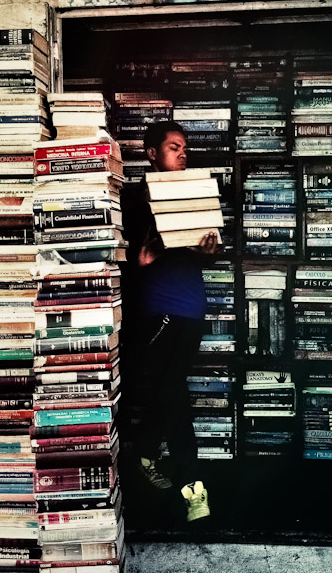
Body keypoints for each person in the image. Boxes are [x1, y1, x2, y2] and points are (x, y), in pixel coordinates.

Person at [121, 121, 216, 523]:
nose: (182, 154)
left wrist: (210, 249)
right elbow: (121, 259)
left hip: (192, 305)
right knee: (171, 392)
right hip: (157, 306)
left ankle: (142, 451)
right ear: (152, 153)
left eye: (185, 149)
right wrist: (138, 264)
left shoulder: (195, 194)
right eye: (174, 147)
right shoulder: (134, 199)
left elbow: (205, 250)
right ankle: (193, 487)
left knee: (172, 391)